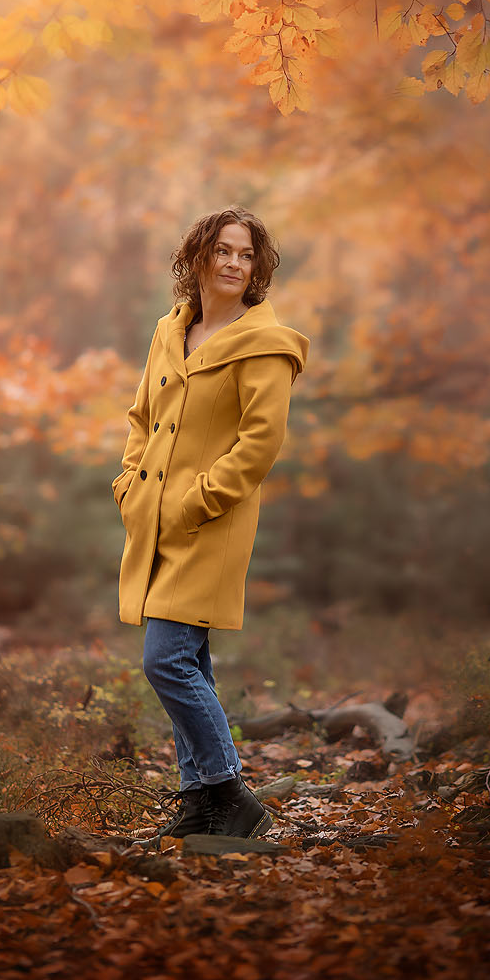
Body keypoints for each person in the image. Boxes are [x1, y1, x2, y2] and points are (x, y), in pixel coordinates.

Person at [112, 207, 309, 839]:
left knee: (165, 661)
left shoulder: (266, 344)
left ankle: (228, 789)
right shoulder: (170, 332)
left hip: (211, 522)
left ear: (258, 267)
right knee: (189, 661)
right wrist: (130, 485)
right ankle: (199, 804)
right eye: (221, 250)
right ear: (196, 258)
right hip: (156, 520)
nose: (232, 263)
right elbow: (140, 418)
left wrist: (195, 500)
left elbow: (260, 442)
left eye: (245, 254)